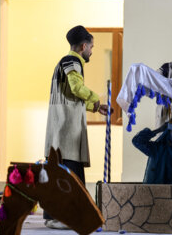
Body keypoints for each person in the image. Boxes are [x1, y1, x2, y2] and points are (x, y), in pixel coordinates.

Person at [44, 25, 111, 228]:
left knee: (62, 170)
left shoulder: (64, 62)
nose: (91, 50)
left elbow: (71, 94)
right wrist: (96, 99)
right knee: (69, 172)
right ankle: (66, 217)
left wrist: (94, 107)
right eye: (91, 47)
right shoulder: (73, 61)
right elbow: (76, 88)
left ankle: (55, 216)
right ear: (83, 46)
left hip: (62, 126)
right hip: (66, 129)